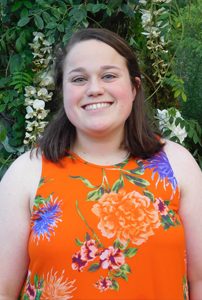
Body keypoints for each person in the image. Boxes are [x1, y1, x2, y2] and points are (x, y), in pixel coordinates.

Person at [0, 28, 202, 300]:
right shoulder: (27, 172)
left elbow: (199, 281)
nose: (94, 89)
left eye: (108, 75)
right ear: (63, 92)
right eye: (79, 78)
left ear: (134, 87)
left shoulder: (178, 165)